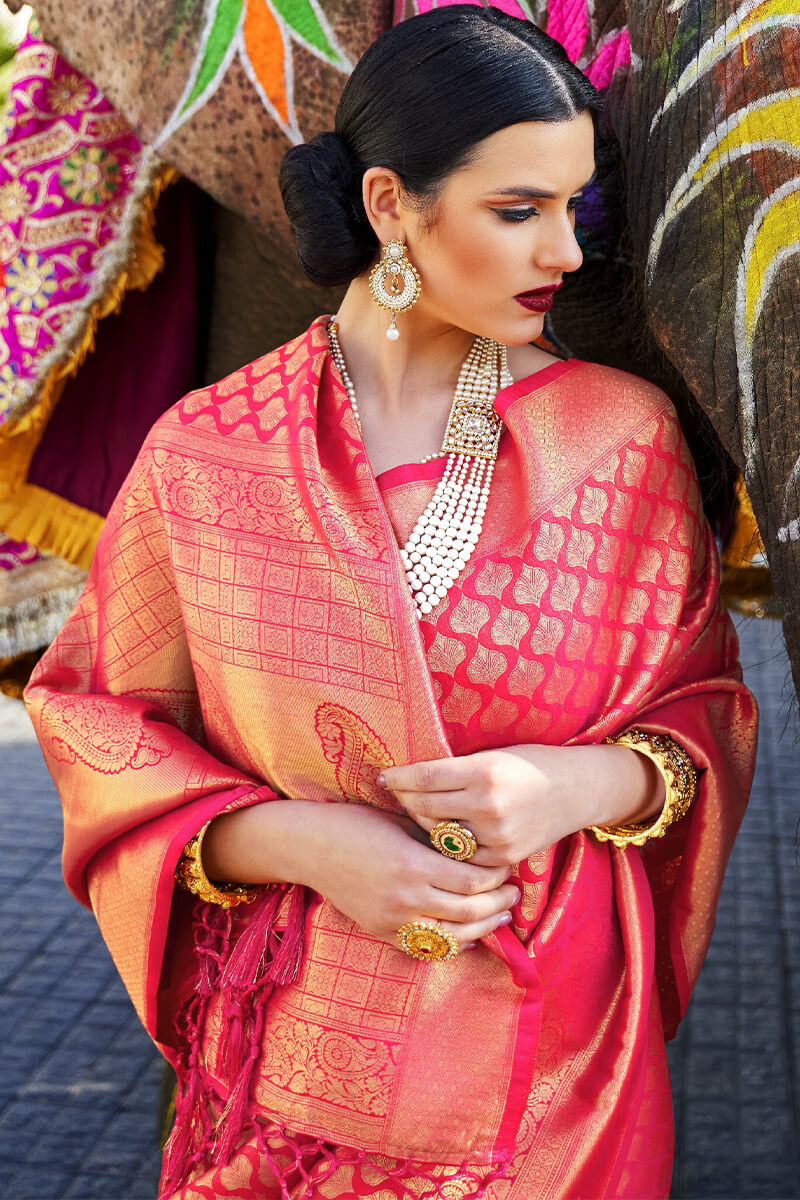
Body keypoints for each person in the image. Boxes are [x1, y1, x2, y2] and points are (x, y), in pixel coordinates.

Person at [25, 8, 757, 1198]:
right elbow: (97, 724)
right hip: (273, 1085)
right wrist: (298, 843)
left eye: (570, 210)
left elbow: (702, 711)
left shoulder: (616, 439)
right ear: (387, 205)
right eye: (517, 212)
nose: (563, 254)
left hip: (553, 1077)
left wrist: (575, 784)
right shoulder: (209, 456)